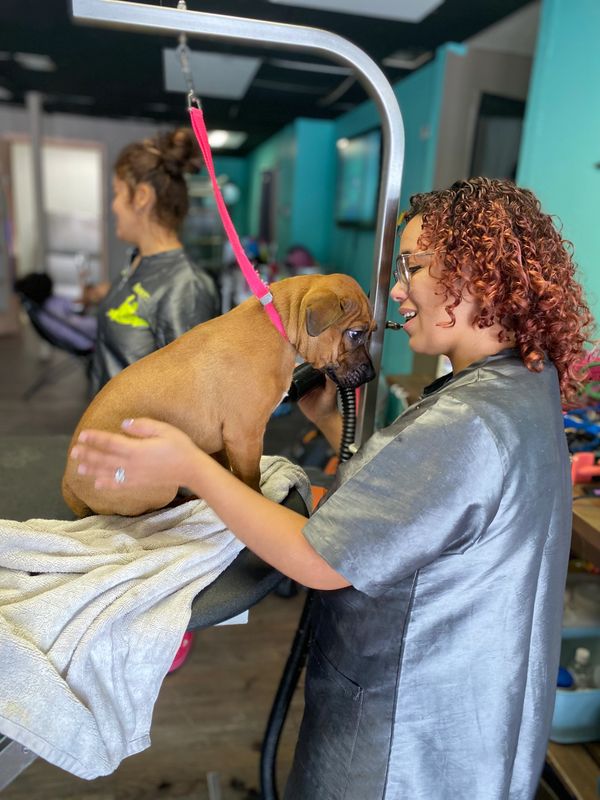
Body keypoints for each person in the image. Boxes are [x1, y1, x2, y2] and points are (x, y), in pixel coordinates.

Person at [70, 178, 592, 799]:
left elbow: (319, 561)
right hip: (474, 715)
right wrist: (326, 421)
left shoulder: (468, 422)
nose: (396, 289)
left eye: (413, 268)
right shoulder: (521, 386)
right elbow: (416, 503)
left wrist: (190, 466)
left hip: (404, 748)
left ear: (475, 278)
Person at [88, 127, 219, 395]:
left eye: (117, 192)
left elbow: (191, 399)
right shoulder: (137, 260)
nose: (113, 205)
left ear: (142, 197)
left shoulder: (187, 287)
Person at [14, 272, 97, 352]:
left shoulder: (43, 313)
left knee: (106, 310)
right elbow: (82, 307)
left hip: (86, 339)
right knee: (108, 310)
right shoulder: (54, 305)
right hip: (92, 338)